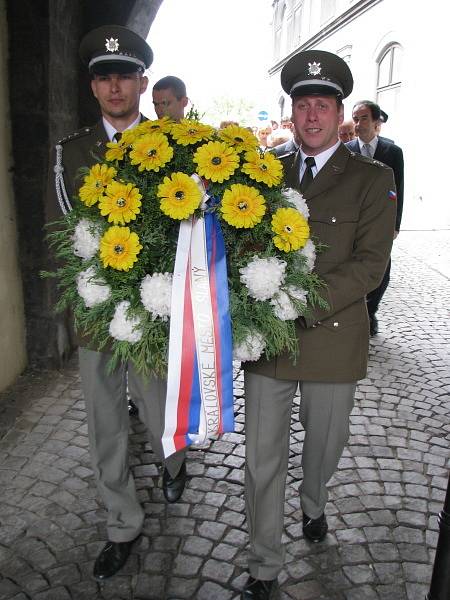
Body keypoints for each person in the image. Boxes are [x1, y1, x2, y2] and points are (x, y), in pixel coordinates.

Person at [240, 50, 396, 599]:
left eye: (322, 106)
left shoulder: (372, 180)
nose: (311, 116)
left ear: (341, 113)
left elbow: (371, 263)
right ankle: (263, 562)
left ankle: (313, 499)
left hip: (332, 338)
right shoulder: (264, 174)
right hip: (267, 342)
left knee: (324, 445)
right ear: (292, 111)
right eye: (302, 105)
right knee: (261, 456)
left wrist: (299, 302)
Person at [47, 25, 187, 581]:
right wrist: (82, 295)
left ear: (141, 81)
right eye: (103, 77)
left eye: (123, 76)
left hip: (156, 309)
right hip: (99, 311)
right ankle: (121, 522)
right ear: (93, 87)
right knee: (106, 421)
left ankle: (174, 462)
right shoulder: (72, 151)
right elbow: (59, 228)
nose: (113, 87)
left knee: (158, 409)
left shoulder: (176, 147)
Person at [347, 100, 404, 335]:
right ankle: (356, 312)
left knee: (382, 269)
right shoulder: (347, 150)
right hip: (352, 220)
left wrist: (395, 224)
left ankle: (371, 311)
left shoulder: (392, 152)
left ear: (376, 122)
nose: (358, 124)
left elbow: (399, 189)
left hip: (382, 220)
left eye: (364, 118)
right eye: (356, 119)